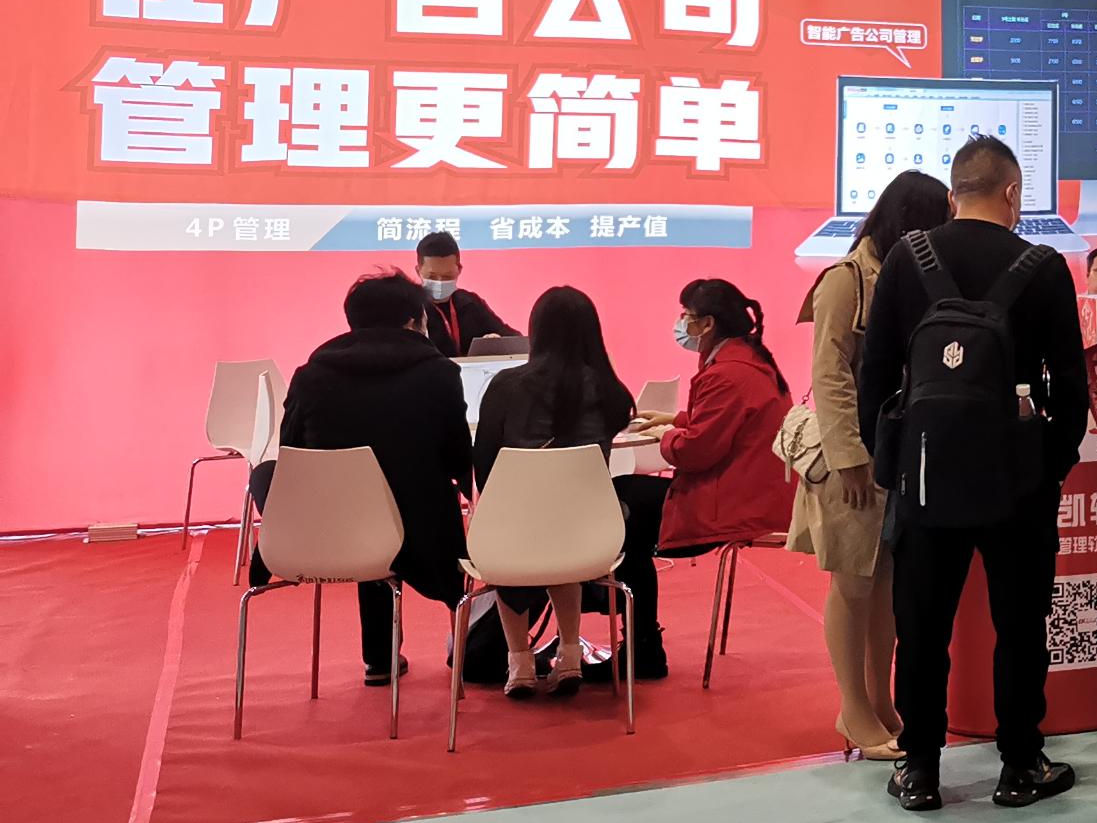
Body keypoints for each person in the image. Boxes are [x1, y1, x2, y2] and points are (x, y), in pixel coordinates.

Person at [859, 137, 1089, 813]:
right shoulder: (1043, 267)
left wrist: (894, 460)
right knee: (1020, 625)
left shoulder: (907, 259)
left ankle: (920, 768)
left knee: (922, 625)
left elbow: (875, 374)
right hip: (1016, 479)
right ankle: (1020, 764)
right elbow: (1070, 385)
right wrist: (1050, 464)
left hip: (926, 474)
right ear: (1013, 193)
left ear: (955, 191)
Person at [794, 170, 950, 760]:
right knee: (853, 583)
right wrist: (849, 459)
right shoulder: (846, 279)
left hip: (898, 455)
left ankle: (881, 703)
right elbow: (829, 374)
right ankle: (853, 708)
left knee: (884, 586)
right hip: (854, 458)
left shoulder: (907, 277)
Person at [252, 270, 470, 685]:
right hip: (425, 532)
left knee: (342, 494)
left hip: (332, 531)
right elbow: (458, 458)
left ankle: (379, 659)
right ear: (414, 321)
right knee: (398, 495)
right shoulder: (439, 374)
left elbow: (293, 452)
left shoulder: (311, 375)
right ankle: (461, 646)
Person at [627, 279, 797, 677]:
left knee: (621, 509)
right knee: (626, 502)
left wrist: (667, 436)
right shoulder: (747, 361)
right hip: (750, 491)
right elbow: (728, 424)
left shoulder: (727, 373)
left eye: (686, 316)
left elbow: (696, 453)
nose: (681, 323)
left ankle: (642, 646)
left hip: (736, 502)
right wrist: (677, 420)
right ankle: (639, 643)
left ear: (707, 324)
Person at [471, 286, 635, 698]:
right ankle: (570, 654)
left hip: (514, 531)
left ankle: (520, 663)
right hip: (591, 532)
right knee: (565, 534)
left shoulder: (505, 386)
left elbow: (485, 465)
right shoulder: (610, 392)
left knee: (518, 536)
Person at [414, 230, 513, 358]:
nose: (440, 281)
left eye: (447, 276)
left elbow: (513, 338)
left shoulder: (470, 302)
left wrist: (497, 340)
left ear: (459, 270)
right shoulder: (411, 307)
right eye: (432, 276)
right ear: (418, 271)